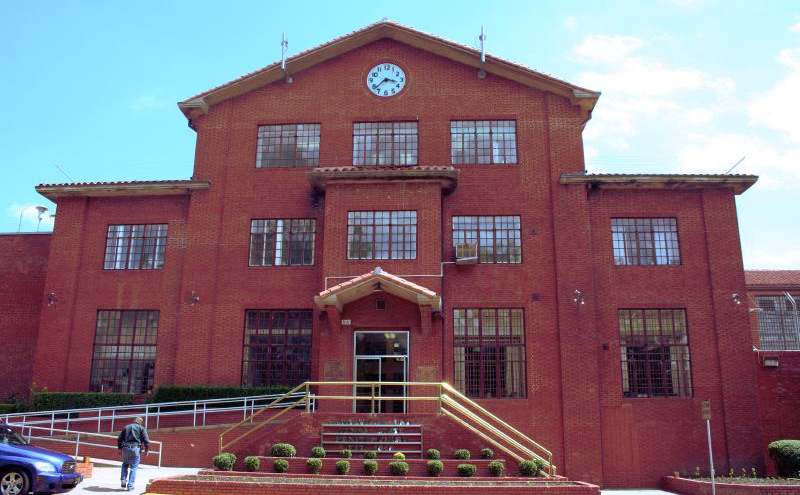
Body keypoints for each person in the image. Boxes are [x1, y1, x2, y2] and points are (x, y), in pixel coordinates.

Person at [117, 417, 150, 491]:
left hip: (126, 448)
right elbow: (146, 440)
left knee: (125, 464)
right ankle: (130, 486)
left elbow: (119, 439)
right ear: (140, 422)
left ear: (134, 421)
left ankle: (123, 481)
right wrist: (146, 450)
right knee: (133, 467)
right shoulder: (141, 428)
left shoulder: (127, 427)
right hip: (136, 449)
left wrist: (119, 448)